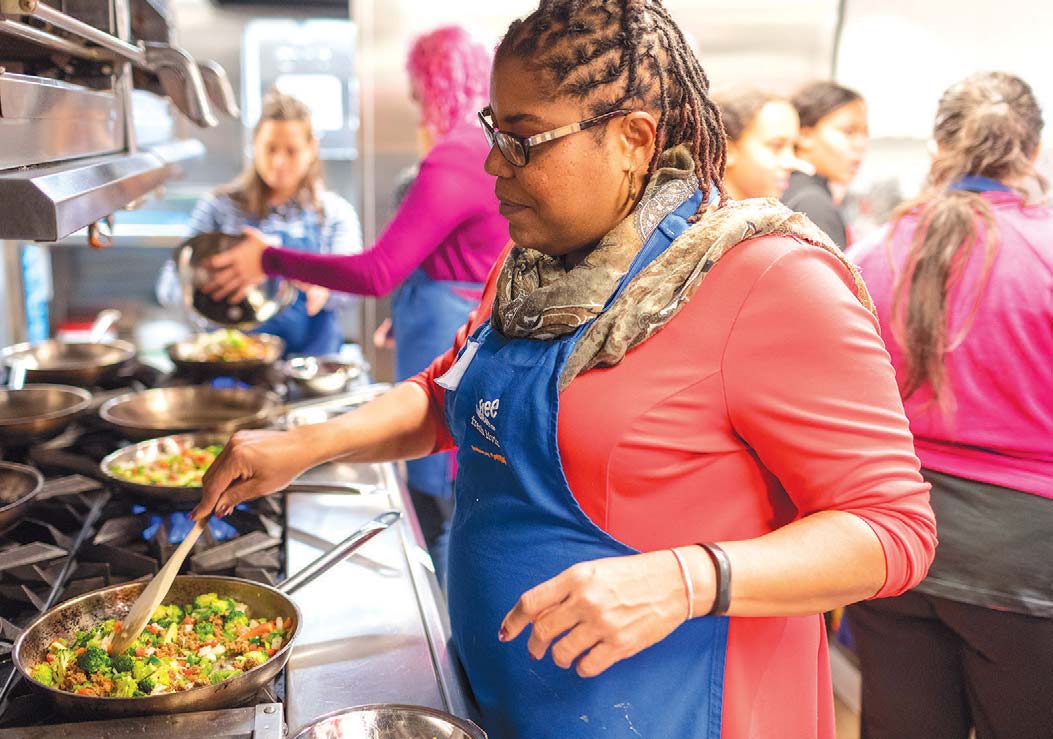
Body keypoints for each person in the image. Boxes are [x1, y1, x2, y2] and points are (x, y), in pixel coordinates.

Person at [193, 2, 936, 736]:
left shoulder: (765, 278)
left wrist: (685, 579)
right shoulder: (535, 267)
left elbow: (893, 529)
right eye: (494, 131)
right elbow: (448, 396)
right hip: (502, 698)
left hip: (674, 714)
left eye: (523, 139)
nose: (492, 164)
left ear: (632, 139)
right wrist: (305, 444)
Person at [201, 26, 507, 561]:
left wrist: (266, 258)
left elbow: (376, 272)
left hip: (448, 336)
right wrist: (410, 312)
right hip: (455, 321)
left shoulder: (455, 155)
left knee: (438, 497)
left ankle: (445, 619)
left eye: (416, 95)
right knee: (453, 482)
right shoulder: (492, 150)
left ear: (433, 88)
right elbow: (477, 259)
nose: (417, 111)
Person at [846, 71, 1053, 739]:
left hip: (890, 537)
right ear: (1031, 152)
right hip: (1021, 559)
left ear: (939, 145)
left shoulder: (869, 255)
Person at [167, 89, 362, 357]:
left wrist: (323, 284)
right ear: (254, 144)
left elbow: (355, 284)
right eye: (270, 149)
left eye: (291, 151)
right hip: (229, 365)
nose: (279, 162)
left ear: (312, 149)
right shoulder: (217, 208)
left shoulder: (334, 213)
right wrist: (202, 286)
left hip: (308, 369)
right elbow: (169, 284)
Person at [782, 81, 869, 248]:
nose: (861, 144)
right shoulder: (813, 204)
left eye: (865, 133)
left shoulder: (788, 189)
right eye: (849, 132)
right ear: (805, 135)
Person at [713, 89, 799, 200]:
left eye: (795, 148)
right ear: (727, 150)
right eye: (777, 146)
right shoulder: (697, 215)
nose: (791, 163)